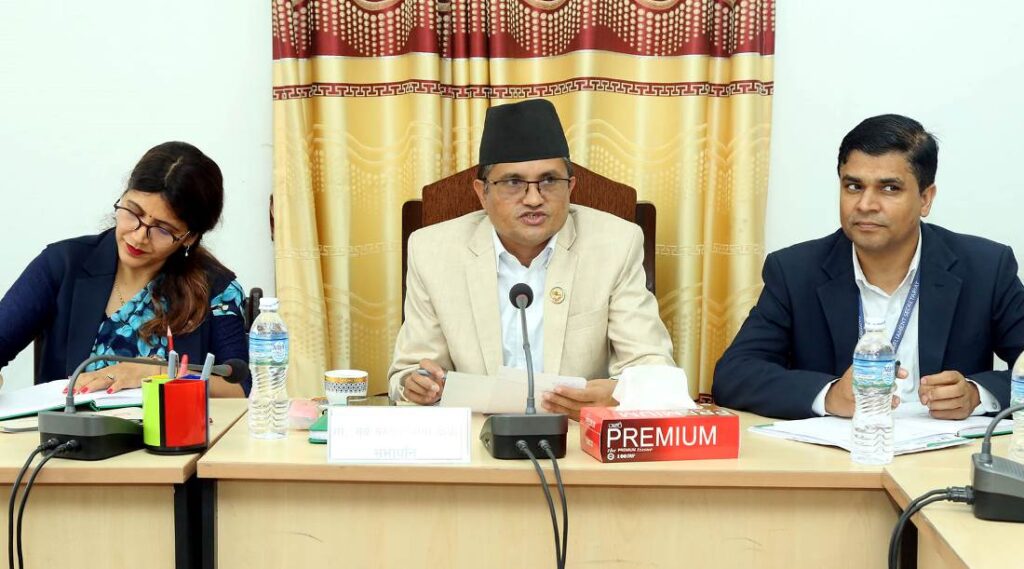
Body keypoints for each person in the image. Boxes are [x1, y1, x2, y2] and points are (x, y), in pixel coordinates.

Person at [713, 114, 1024, 420]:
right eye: (853, 186)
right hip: (842, 449)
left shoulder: (985, 268)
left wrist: (976, 394)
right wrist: (830, 396)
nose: (865, 205)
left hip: (947, 451)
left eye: (889, 188)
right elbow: (735, 374)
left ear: (925, 199)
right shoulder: (795, 271)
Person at [388, 99, 675, 419]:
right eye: (513, 182)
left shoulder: (616, 244)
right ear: (482, 192)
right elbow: (408, 373)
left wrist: (619, 393)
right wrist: (417, 384)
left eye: (549, 180)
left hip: (574, 434)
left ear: (571, 187)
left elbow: (653, 367)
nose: (534, 199)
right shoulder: (433, 251)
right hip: (477, 435)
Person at [0, 142, 250, 396]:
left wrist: (160, 373)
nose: (139, 236)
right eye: (132, 212)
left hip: (172, 424)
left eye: (162, 229)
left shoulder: (216, 289)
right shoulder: (63, 264)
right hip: (68, 422)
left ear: (189, 237)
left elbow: (241, 387)